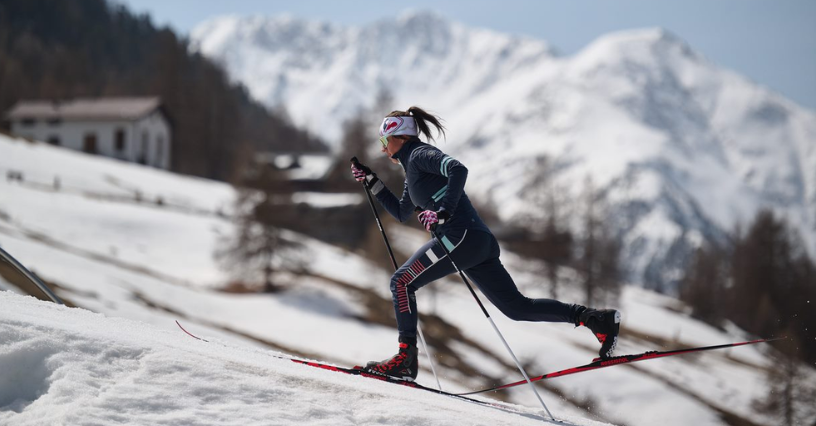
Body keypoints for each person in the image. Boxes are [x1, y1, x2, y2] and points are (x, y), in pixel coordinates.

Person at [350, 106, 621, 381]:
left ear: (399, 137)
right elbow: (400, 212)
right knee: (517, 308)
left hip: (459, 238)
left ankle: (405, 360)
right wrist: (372, 181)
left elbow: (458, 169)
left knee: (401, 282)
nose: (382, 149)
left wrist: (443, 211)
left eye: (384, 141)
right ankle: (595, 320)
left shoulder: (420, 155)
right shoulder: (412, 171)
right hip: (475, 242)